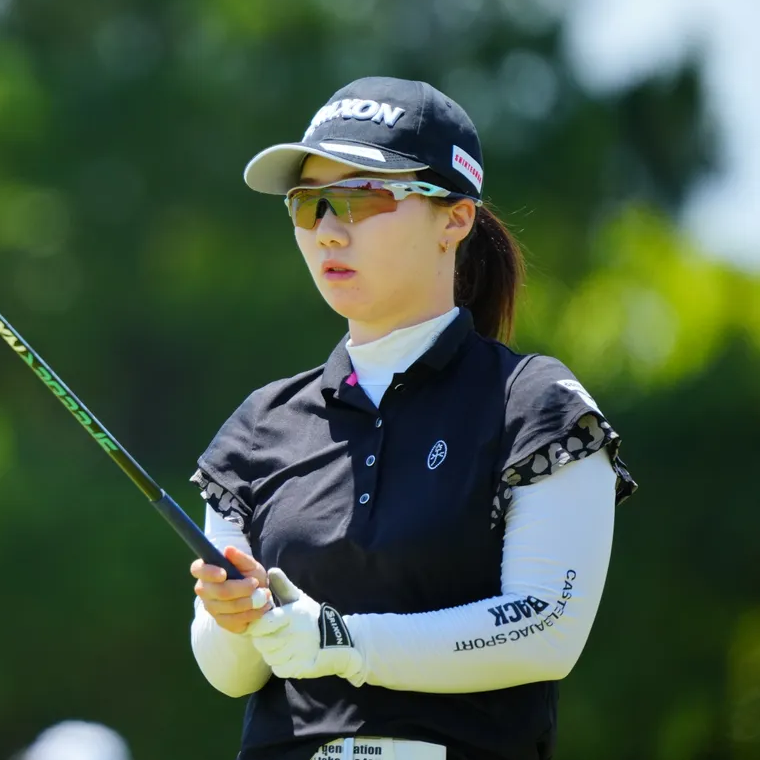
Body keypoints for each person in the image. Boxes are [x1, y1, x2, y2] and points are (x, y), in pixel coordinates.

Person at [186, 77, 638, 760]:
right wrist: (235, 619)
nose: (328, 229)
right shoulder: (259, 425)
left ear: (454, 219)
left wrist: (342, 641)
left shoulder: (535, 403)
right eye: (308, 204)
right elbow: (229, 674)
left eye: (362, 197)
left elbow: (546, 629)